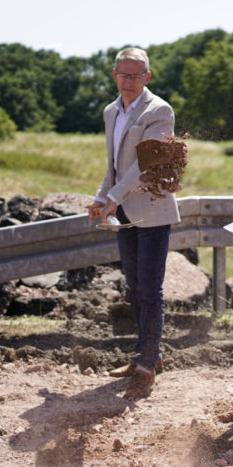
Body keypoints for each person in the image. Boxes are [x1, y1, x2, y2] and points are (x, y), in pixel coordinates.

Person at [88, 47, 181, 399]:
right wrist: (102, 195)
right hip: (124, 210)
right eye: (123, 74)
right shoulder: (111, 111)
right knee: (134, 286)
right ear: (114, 75)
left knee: (150, 290)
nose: (129, 81)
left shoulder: (159, 110)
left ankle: (146, 366)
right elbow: (113, 165)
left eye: (136, 75)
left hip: (153, 208)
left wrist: (113, 198)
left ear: (148, 76)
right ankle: (146, 355)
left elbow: (145, 166)